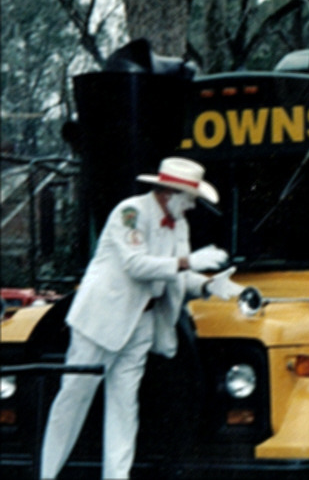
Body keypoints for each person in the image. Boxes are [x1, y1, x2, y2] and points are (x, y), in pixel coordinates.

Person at [40, 157, 244, 480]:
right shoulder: (129, 213)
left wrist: (208, 285)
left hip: (142, 324)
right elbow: (137, 265)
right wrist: (189, 260)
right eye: (190, 198)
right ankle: (47, 475)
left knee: (125, 408)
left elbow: (178, 275)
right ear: (169, 192)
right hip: (100, 322)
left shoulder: (179, 225)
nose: (192, 206)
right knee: (72, 402)